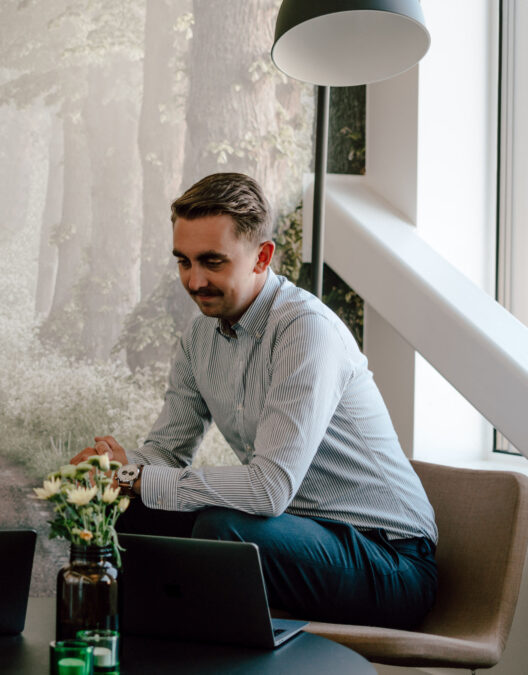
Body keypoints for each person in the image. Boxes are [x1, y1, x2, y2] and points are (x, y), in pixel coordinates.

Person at [70, 172, 437, 629]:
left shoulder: (306, 330)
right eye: (183, 261)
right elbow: (167, 452)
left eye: (212, 262)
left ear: (262, 257)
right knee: (124, 506)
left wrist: (138, 478)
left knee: (223, 530)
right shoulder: (199, 336)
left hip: (389, 560)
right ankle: (135, 650)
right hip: (296, 534)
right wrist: (117, 467)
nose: (194, 280)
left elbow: (269, 488)